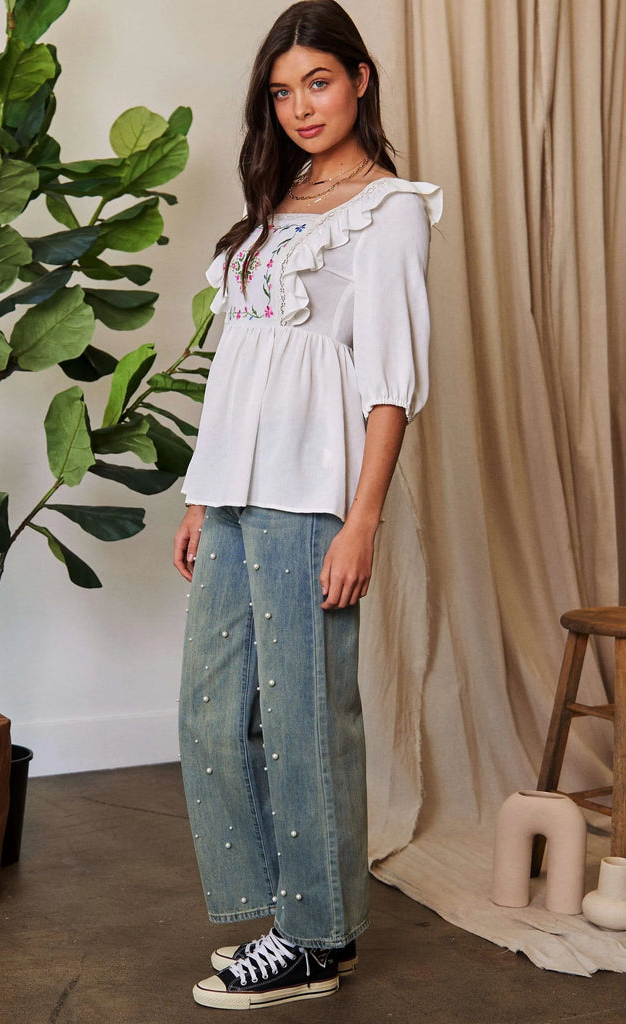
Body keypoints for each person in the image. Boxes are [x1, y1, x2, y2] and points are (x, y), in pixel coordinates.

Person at [173, 0, 442, 1009]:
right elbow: (237, 363)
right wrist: (200, 495)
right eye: (283, 91)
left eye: (318, 82)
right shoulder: (275, 199)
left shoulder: (389, 210)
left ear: (359, 80)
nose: (300, 106)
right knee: (213, 710)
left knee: (303, 716)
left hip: (311, 495)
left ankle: (313, 939)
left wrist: (362, 519)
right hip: (233, 490)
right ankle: (295, 915)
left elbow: (389, 382)